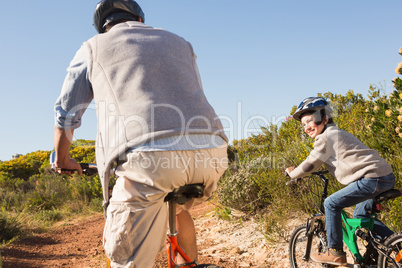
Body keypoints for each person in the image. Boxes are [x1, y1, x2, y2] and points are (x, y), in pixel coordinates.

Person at [53, 0, 228, 267]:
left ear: (103, 27)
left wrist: (63, 159)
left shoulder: (92, 47)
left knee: (127, 257)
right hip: (212, 150)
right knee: (179, 207)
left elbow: (67, 113)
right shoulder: (180, 42)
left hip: (149, 159)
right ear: (139, 19)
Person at [285, 97, 395, 266]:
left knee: (330, 203)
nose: (306, 127)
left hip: (371, 179)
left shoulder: (326, 137)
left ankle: (335, 252)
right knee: (360, 215)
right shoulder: (337, 133)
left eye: (310, 121)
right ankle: (395, 245)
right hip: (384, 177)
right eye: (303, 125)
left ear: (325, 118)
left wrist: (293, 174)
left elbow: (309, 164)